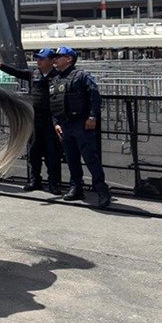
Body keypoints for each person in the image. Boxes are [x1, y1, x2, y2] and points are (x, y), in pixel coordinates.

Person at [0, 48, 62, 194]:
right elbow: (17, 72)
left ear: (52, 61)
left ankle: (54, 183)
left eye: (43, 58)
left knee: (51, 153)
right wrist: (0, 66)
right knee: (33, 151)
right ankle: (35, 180)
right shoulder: (33, 73)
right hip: (34, 119)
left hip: (50, 119)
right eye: (38, 58)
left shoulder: (58, 76)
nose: (39, 61)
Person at [49, 46, 110, 208]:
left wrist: (92, 116)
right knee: (71, 159)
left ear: (69, 59)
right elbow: (54, 104)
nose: (55, 60)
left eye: (59, 57)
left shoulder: (81, 76)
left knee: (90, 158)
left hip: (81, 123)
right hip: (64, 125)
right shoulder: (56, 79)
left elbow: (95, 96)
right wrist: (56, 124)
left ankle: (102, 191)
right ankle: (76, 188)